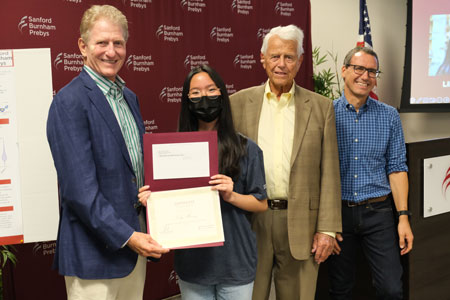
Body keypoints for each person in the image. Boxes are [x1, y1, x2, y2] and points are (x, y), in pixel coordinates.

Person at [46, 5, 168, 300]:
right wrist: (128, 237)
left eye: (118, 43)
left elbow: (132, 171)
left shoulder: (129, 98)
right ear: (83, 47)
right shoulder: (69, 102)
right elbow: (79, 192)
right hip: (95, 256)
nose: (111, 52)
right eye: (102, 43)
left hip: (134, 249)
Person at [230, 25, 342, 300]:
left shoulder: (321, 107)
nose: (282, 64)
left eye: (289, 57)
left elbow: (329, 172)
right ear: (263, 59)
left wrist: (326, 230)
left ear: (300, 61)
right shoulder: (237, 104)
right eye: (275, 56)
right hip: (251, 221)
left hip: (301, 222)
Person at [138, 65, 268, 300]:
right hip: (193, 266)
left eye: (210, 90)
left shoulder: (246, 148)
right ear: (187, 101)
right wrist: (153, 202)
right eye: (195, 93)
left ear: (222, 95)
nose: (204, 98)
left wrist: (232, 195)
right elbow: (166, 204)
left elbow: (261, 203)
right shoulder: (172, 151)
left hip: (235, 263)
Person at [327, 46, 414, 300]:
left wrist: (403, 218)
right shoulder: (325, 113)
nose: (365, 76)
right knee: (339, 288)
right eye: (359, 69)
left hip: (378, 213)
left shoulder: (389, 116)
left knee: (391, 289)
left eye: (372, 71)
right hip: (338, 215)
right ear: (344, 71)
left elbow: (397, 168)